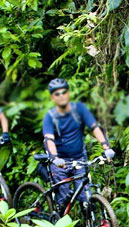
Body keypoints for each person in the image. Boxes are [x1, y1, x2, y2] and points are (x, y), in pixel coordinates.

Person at [42, 78, 115, 206]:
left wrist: (106, 147)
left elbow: (94, 127)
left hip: (79, 159)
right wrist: (55, 158)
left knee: (85, 196)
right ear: (52, 97)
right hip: (60, 162)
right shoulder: (50, 117)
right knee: (63, 198)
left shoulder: (79, 109)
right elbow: (49, 139)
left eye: (64, 92)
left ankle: (89, 216)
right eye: (57, 94)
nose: (61, 96)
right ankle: (59, 217)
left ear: (68, 93)